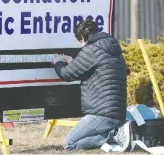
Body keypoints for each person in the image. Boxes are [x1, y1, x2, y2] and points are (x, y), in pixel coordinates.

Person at [51, 19, 132, 152]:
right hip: (117, 113)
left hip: (100, 114)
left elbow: (66, 74)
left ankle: (114, 135)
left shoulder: (91, 50)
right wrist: (75, 62)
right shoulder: (112, 49)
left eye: (79, 41)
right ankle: (117, 131)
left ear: (82, 37)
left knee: (69, 144)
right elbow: (96, 70)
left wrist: (58, 62)